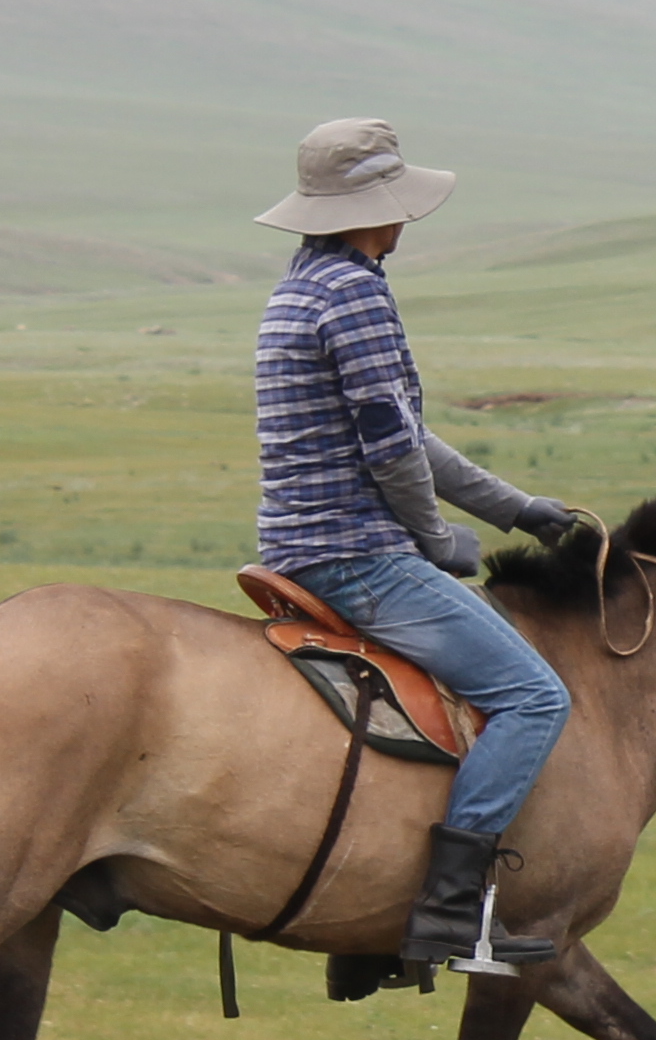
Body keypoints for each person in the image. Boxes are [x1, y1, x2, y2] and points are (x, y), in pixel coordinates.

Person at [252, 116, 592, 971]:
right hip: (356, 554)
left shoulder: (302, 286)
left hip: (300, 542)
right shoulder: (356, 295)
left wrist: (516, 510)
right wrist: (436, 541)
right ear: (379, 208)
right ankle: (446, 912)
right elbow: (391, 449)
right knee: (534, 697)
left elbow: (406, 435)